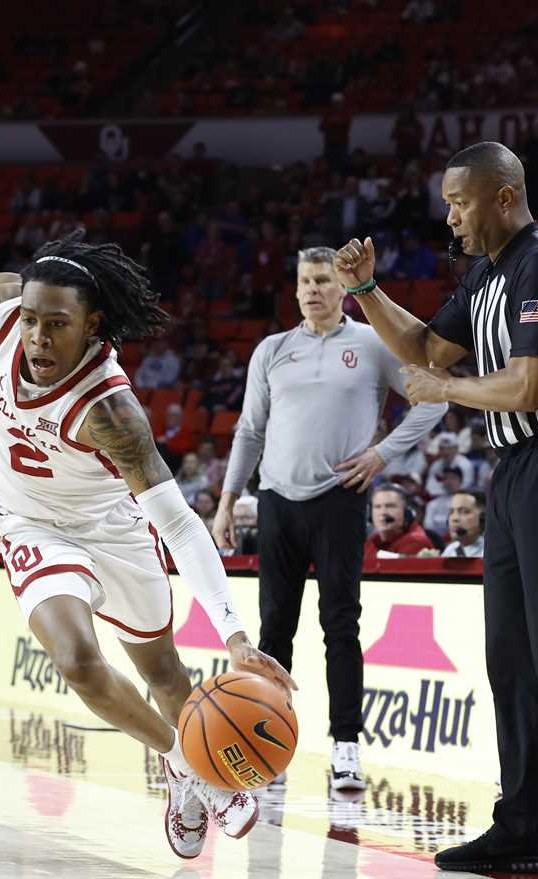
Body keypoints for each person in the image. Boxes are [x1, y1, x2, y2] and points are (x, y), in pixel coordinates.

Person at [0, 229, 296, 858]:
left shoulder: (111, 411)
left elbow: (181, 525)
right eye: (31, 319)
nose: (37, 337)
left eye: (57, 324)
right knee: (78, 661)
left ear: (92, 326)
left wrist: (236, 637)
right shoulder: (3, 319)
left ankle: (188, 763)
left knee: (164, 674)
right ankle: (189, 762)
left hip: (113, 531)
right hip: (30, 524)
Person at [337, 140, 538, 877]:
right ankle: (521, 824)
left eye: (459, 201)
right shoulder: (485, 273)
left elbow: (526, 387)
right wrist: (365, 291)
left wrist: (442, 392)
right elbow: (424, 347)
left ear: (503, 196)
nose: (450, 218)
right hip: (515, 471)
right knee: (512, 659)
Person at [212, 246, 445, 790]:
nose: (313, 289)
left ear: (342, 288)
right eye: (304, 282)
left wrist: (383, 454)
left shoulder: (370, 343)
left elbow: (433, 402)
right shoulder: (272, 350)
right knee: (274, 631)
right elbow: (249, 431)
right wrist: (226, 501)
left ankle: (345, 748)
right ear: (294, 290)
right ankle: (267, 744)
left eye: (322, 280)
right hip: (275, 500)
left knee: (341, 626)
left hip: (340, 500)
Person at [363, 486, 436, 559]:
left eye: (390, 506)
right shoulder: (372, 542)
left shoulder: (416, 542)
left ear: (406, 512)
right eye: (377, 507)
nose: (383, 512)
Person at [441, 490, 486, 558]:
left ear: (483, 519)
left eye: (464, 512)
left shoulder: (490, 552)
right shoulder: (450, 550)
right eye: (451, 512)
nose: (455, 518)